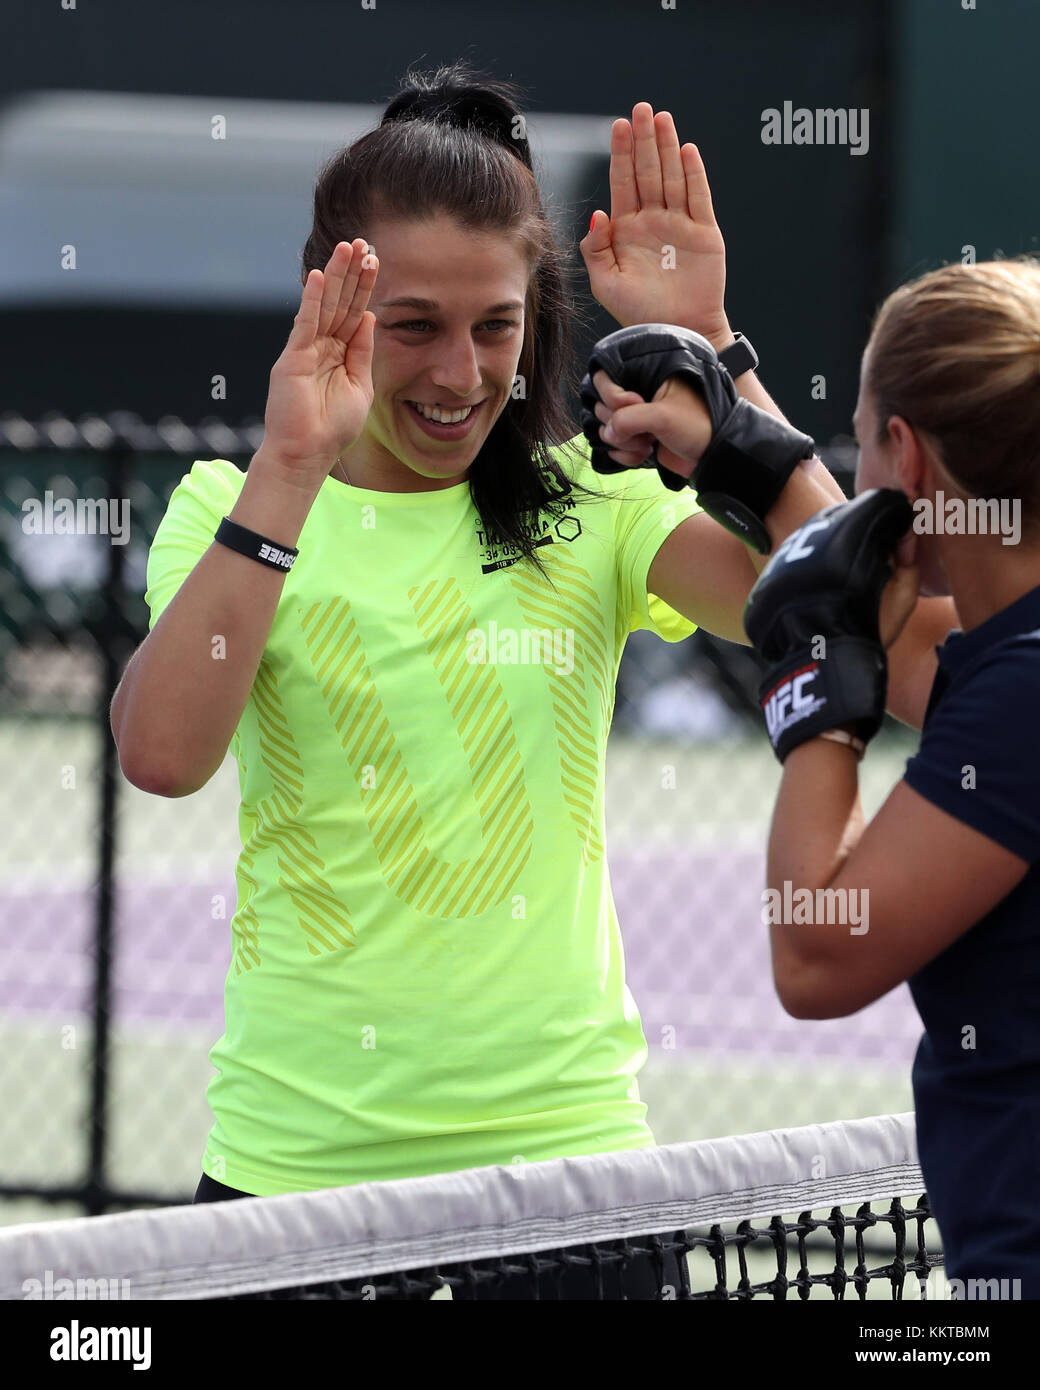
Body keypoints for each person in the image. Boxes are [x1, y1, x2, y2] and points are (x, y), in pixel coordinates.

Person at [109, 62, 953, 1299]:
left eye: (494, 326)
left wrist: (721, 358)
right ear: (333, 305)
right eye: (412, 326)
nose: (459, 373)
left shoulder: (594, 511)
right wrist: (290, 465)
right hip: (295, 1188)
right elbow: (162, 755)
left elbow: (891, 622)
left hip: (575, 1192)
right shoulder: (227, 512)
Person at [598, 258, 1040, 1297]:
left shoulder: (1019, 694)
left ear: (906, 455)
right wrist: (730, 410)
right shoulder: (1009, 657)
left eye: (860, 433)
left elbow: (815, 954)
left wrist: (815, 698)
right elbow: (911, 629)